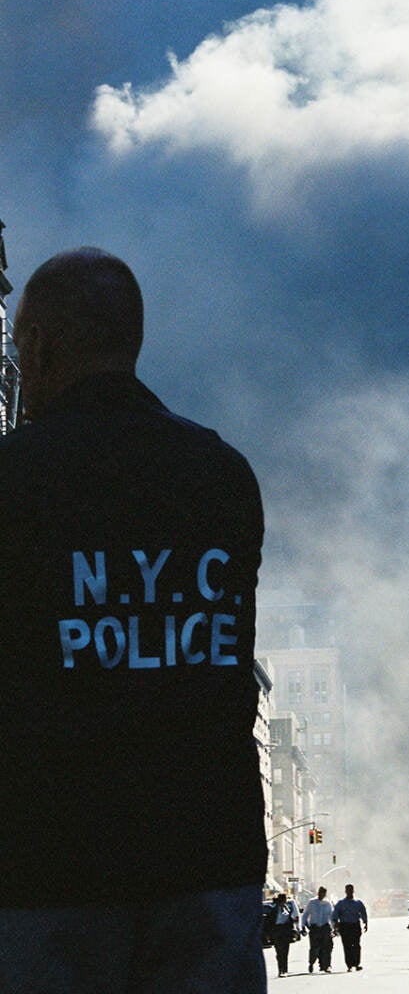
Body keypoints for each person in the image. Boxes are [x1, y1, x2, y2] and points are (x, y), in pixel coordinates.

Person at [0, 248, 267, 992]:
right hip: (207, 854)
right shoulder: (221, 474)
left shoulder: (13, 479)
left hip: (50, 864)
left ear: (41, 347)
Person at [332, 883, 368, 971]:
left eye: (351, 890)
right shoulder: (341, 903)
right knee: (347, 946)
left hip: (355, 926)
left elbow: (363, 912)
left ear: (353, 891)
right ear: (345, 891)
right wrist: (336, 924)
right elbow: (335, 914)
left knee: (356, 945)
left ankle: (356, 964)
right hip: (345, 926)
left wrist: (365, 922)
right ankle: (349, 965)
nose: (349, 892)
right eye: (348, 890)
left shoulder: (358, 902)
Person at [267, 893, 300, 978]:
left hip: (285, 931)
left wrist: (294, 931)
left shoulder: (287, 909)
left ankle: (285, 970)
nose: (285, 901)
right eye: (284, 900)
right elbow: (269, 922)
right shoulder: (274, 910)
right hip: (277, 931)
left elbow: (290, 921)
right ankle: (280, 969)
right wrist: (269, 934)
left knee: (285, 951)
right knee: (279, 951)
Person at [302, 886, 335, 973]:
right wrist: (303, 925)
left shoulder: (328, 904)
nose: (322, 894)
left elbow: (331, 916)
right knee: (314, 948)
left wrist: (334, 927)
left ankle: (325, 965)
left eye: (323, 892)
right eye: (320, 892)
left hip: (325, 927)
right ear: (318, 892)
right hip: (314, 928)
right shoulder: (312, 902)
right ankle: (311, 963)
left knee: (327, 947)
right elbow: (305, 914)